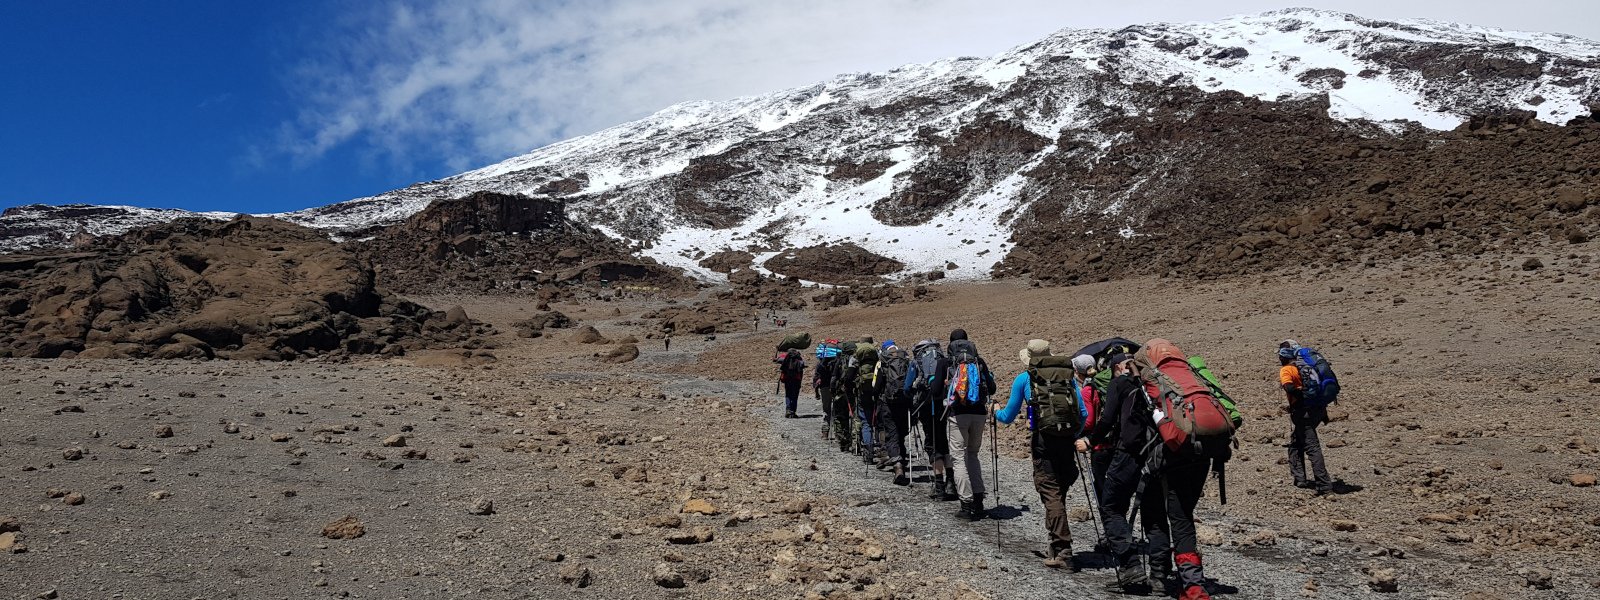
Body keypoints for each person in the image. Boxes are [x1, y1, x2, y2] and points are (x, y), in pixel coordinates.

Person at [994, 340, 1089, 569]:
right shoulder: (1066, 376)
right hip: (1066, 441)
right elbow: (1083, 413)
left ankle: (1063, 549)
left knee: (1050, 492)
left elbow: (1008, 416)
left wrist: (995, 411)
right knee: (1059, 490)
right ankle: (1054, 545)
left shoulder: (1024, 379)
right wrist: (1072, 434)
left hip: (1043, 442)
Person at [1090, 353, 1165, 591]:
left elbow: (1107, 419)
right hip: (1160, 454)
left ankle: (1131, 567)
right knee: (1154, 515)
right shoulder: (1157, 383)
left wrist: (1089, 442)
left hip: (1130, 453)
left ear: (1120, 367)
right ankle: (1160, 576)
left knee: (1111, 507)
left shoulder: (1119, 383)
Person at [938, 329, 996, 521]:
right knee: (973, 455)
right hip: (979, 413)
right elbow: (992, 388)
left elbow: (935, 389)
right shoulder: (978, 361)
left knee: (958, 457)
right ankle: (979, 499)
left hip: (957, 415)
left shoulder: (946, 362)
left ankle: (966, 503)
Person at [1074, 353, 1114, 552]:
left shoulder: (1089, 390)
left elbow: (1089, 421)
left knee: (1102, 490)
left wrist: (1082, 436)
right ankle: (1121, 529)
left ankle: (1111, 535)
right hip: (1121, 446)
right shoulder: (1114, 387)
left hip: (1099, 447)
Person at [906, 339, 955, 500]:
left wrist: (912, 396)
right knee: (943, 441)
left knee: (932, 443)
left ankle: (939, 485)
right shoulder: (943, 360)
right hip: (942, 404)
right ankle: (951, 482)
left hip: (926, 406)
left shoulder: (916, 362)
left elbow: (907, 387)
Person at [1280, 343, 1332, 494]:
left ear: (1284, 355)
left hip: (1303, 413)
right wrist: (1324, 414)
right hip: (1317, 410)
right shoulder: (1310, 367)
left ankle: (1325, 486)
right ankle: (1299, 478)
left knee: (1312, 447)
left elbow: (1289, 388)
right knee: (1296, 442)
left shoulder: (1287, 369)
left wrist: (1300, 400)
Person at [873, 341, 913, 486]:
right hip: (905, 402)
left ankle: (897, 466)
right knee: (901, 433)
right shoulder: (905, 358)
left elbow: (876, 384)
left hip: (887, 402)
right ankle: (902, 459)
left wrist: (875, 396)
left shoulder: (882, 360)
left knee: (891, 433)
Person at [814, 339, 842, 441]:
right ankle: (838, 435)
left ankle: (825, 433)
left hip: (824, 388)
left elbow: (816, 377)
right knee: (837, 411)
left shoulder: (821, 362)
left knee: (826, 410)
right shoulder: (839, 361)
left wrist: (816, 391)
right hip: (837, 387)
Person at [773, 348, 805, 418]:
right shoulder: (798, 357)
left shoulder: (785, 356)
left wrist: (777, 350)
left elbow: (775, 360)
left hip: (787, 378)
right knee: (795, 396)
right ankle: (793, 411)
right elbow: (802, 367)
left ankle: (788, 409)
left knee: (788, 394)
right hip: (797, 379)